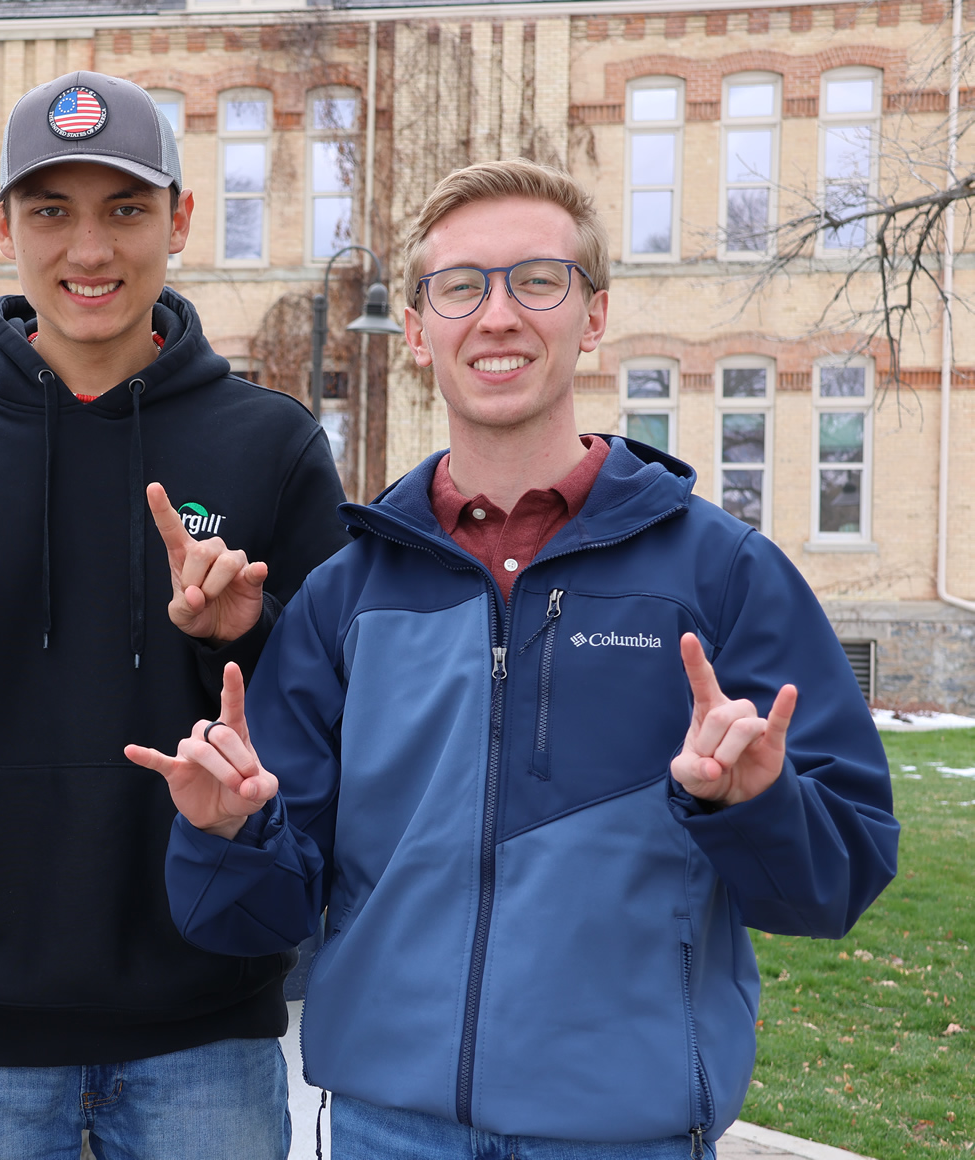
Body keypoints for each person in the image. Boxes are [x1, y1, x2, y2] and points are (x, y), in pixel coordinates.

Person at [133, 159, 900, 1159]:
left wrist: (752, 801)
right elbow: (253, 918)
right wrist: (228, 831)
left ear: (593, 315)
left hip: (625, 1135)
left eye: (537, 279)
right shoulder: (348, 597)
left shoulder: (722, 574)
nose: (498, 315)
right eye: (461, 286)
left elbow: (836, 879)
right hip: (384, 1130)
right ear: (416, 329)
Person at [0, 71, 349, 1159]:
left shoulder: (271, 442)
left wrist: (237, 633)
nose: (89, 251)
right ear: (2, 223)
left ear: (180, 220)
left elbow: (332, 714)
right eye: (51, 211)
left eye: (125, 209)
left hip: (208, 1027)